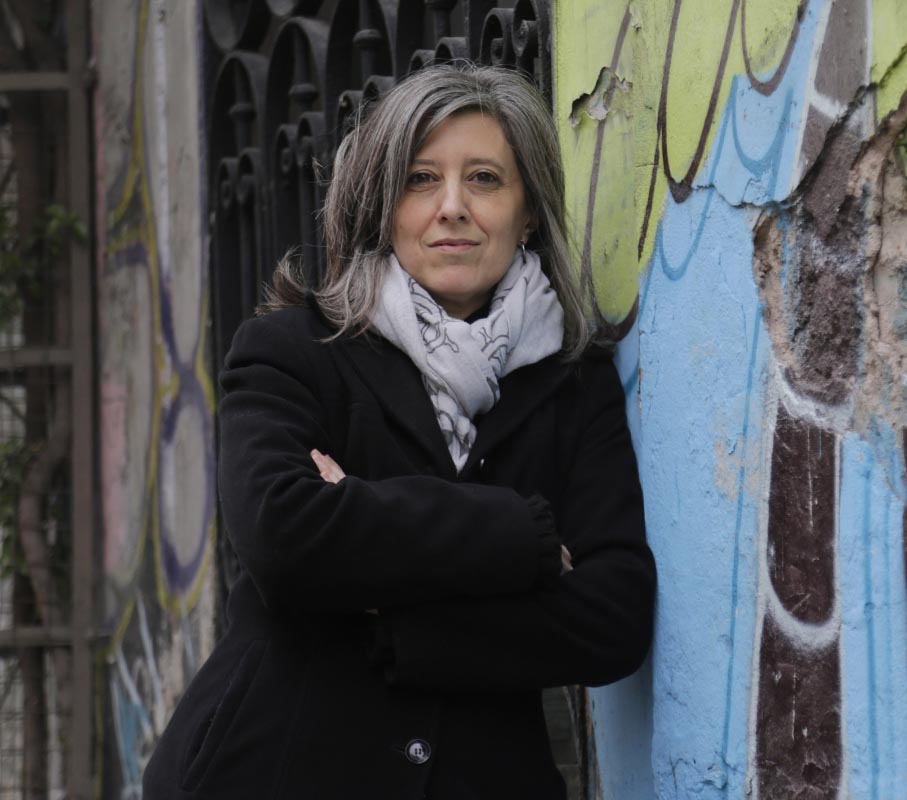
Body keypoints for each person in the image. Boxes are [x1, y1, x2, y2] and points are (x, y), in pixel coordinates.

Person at [143, 64, 655, 799]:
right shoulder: (295, 352)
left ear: (529, 213)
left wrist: (392, 606)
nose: (452, 208)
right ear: (384, 207)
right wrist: (524, 539)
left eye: (484, 179)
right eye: (421, 180)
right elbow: (283, 536)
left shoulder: (573, 383)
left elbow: (614, 618)